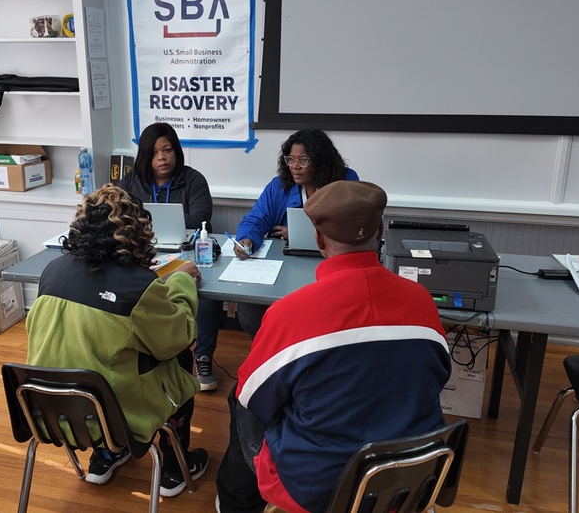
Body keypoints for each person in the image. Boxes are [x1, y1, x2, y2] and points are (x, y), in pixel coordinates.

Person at [215, 181, 452, 513]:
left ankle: (236, 504)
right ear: (380, 231)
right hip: (411, 478)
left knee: (242, 396)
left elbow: (254, 401)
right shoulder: (422, 301)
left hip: (318, 488)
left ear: (318, 238)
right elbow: (438, 375)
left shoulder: (288, 313)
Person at [24, 184, 209, 498]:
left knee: (88, 355)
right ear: (137, 232)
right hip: (116, 418)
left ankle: (105, 454)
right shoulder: (137, 286)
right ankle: (176, 467)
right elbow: (177, 336)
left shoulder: (51, 271)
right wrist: (180, 279)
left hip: (49, 412)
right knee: (179, 359)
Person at [117, 122, 222, 391]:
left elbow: (200, 217)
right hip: (144, 254)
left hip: (186, 251)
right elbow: (118, 215)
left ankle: (203, 355)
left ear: (176, 151)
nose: (162, 157)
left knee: (204, 291)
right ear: (144, 156)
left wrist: (146, 222)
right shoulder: (130, 181)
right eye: (154, 152)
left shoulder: (193, 179)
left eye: (167, 150)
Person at [230, 128, 359, 338]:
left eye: (303, 160)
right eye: (290, 159)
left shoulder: (345, 182)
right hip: (285, 267)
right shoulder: (280, 185)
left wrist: (305, 232)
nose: (295, 167)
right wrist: (247, 239)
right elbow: (255, 219)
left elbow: (350, 225)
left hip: (329, 267)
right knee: (250, 312)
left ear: (320, 161)